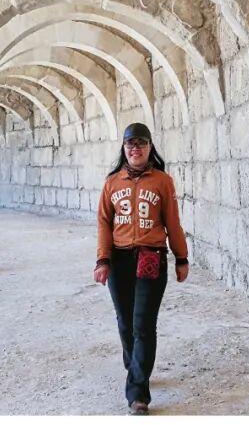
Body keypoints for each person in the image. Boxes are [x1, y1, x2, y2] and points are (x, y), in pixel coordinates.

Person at [94, 122, 190, 416]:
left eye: (141, 143)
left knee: (143, 324)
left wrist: (181, 257)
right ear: (124, 149)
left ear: (150, 148)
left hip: (151, 257)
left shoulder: (162, 181)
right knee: (125, 322)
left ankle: (138, 394)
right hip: (120, 260)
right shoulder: (112, 182)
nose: (135, 149)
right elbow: (103, 223)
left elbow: (172, 222)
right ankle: (135, 365)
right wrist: (103, 260)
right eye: (130, 144)